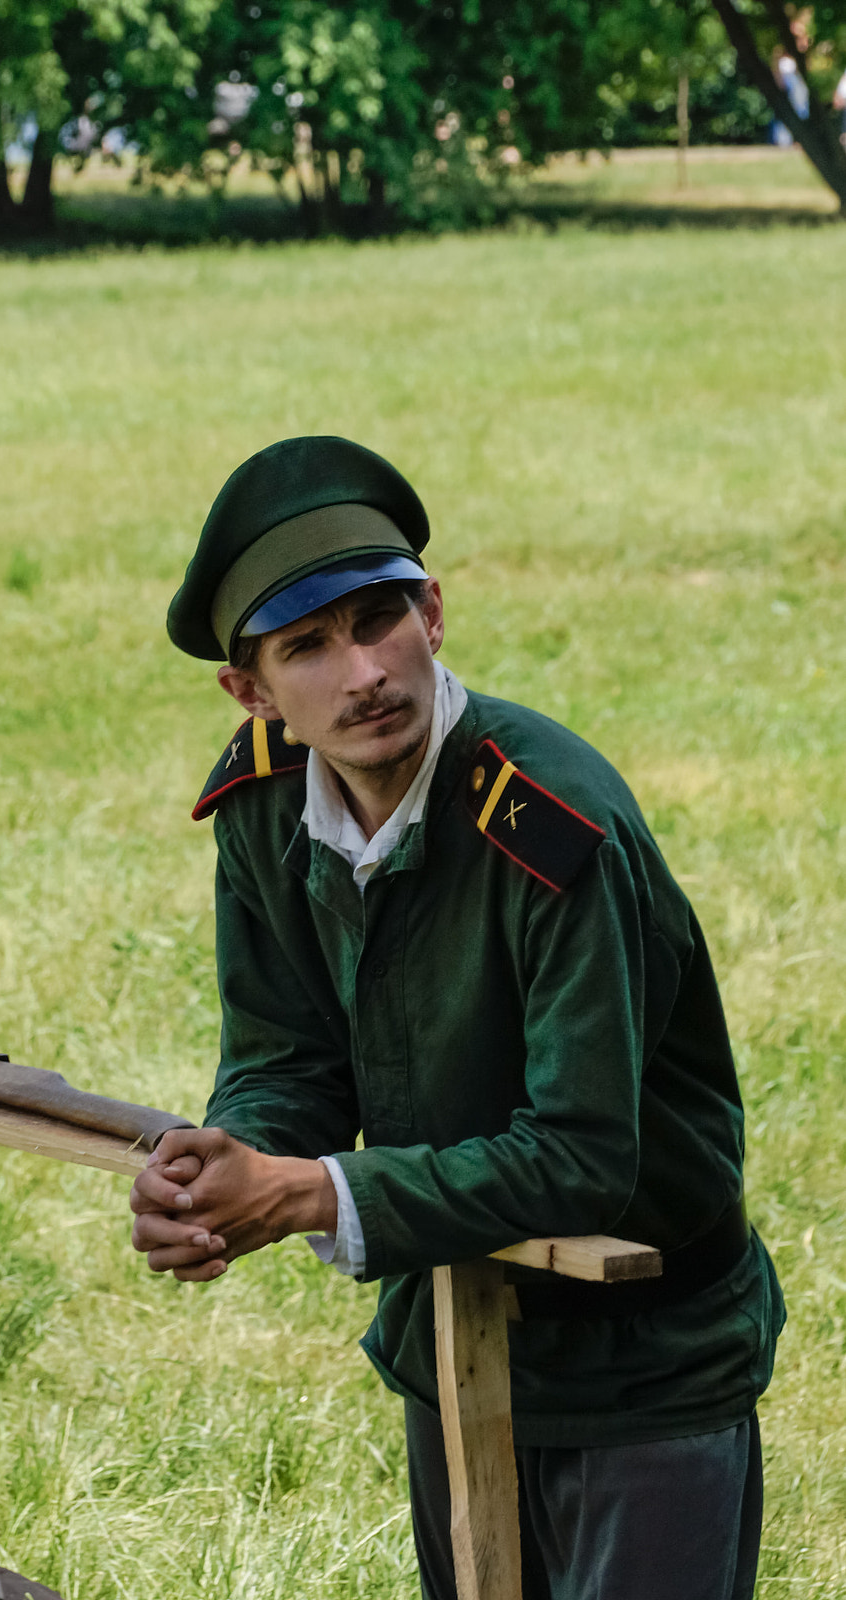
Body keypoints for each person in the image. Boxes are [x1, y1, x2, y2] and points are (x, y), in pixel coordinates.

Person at [129, 436, 784, 1600]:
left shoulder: (551, 822)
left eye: (379, 619)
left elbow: (586, 1155)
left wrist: (304, 1193)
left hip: (648, 1361)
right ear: (250, 688)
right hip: (453, 1328)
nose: (361, 672)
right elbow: (287, 1055)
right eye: (307, 647)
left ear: (433, 612)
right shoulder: (264, 802)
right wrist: (232, 1163)